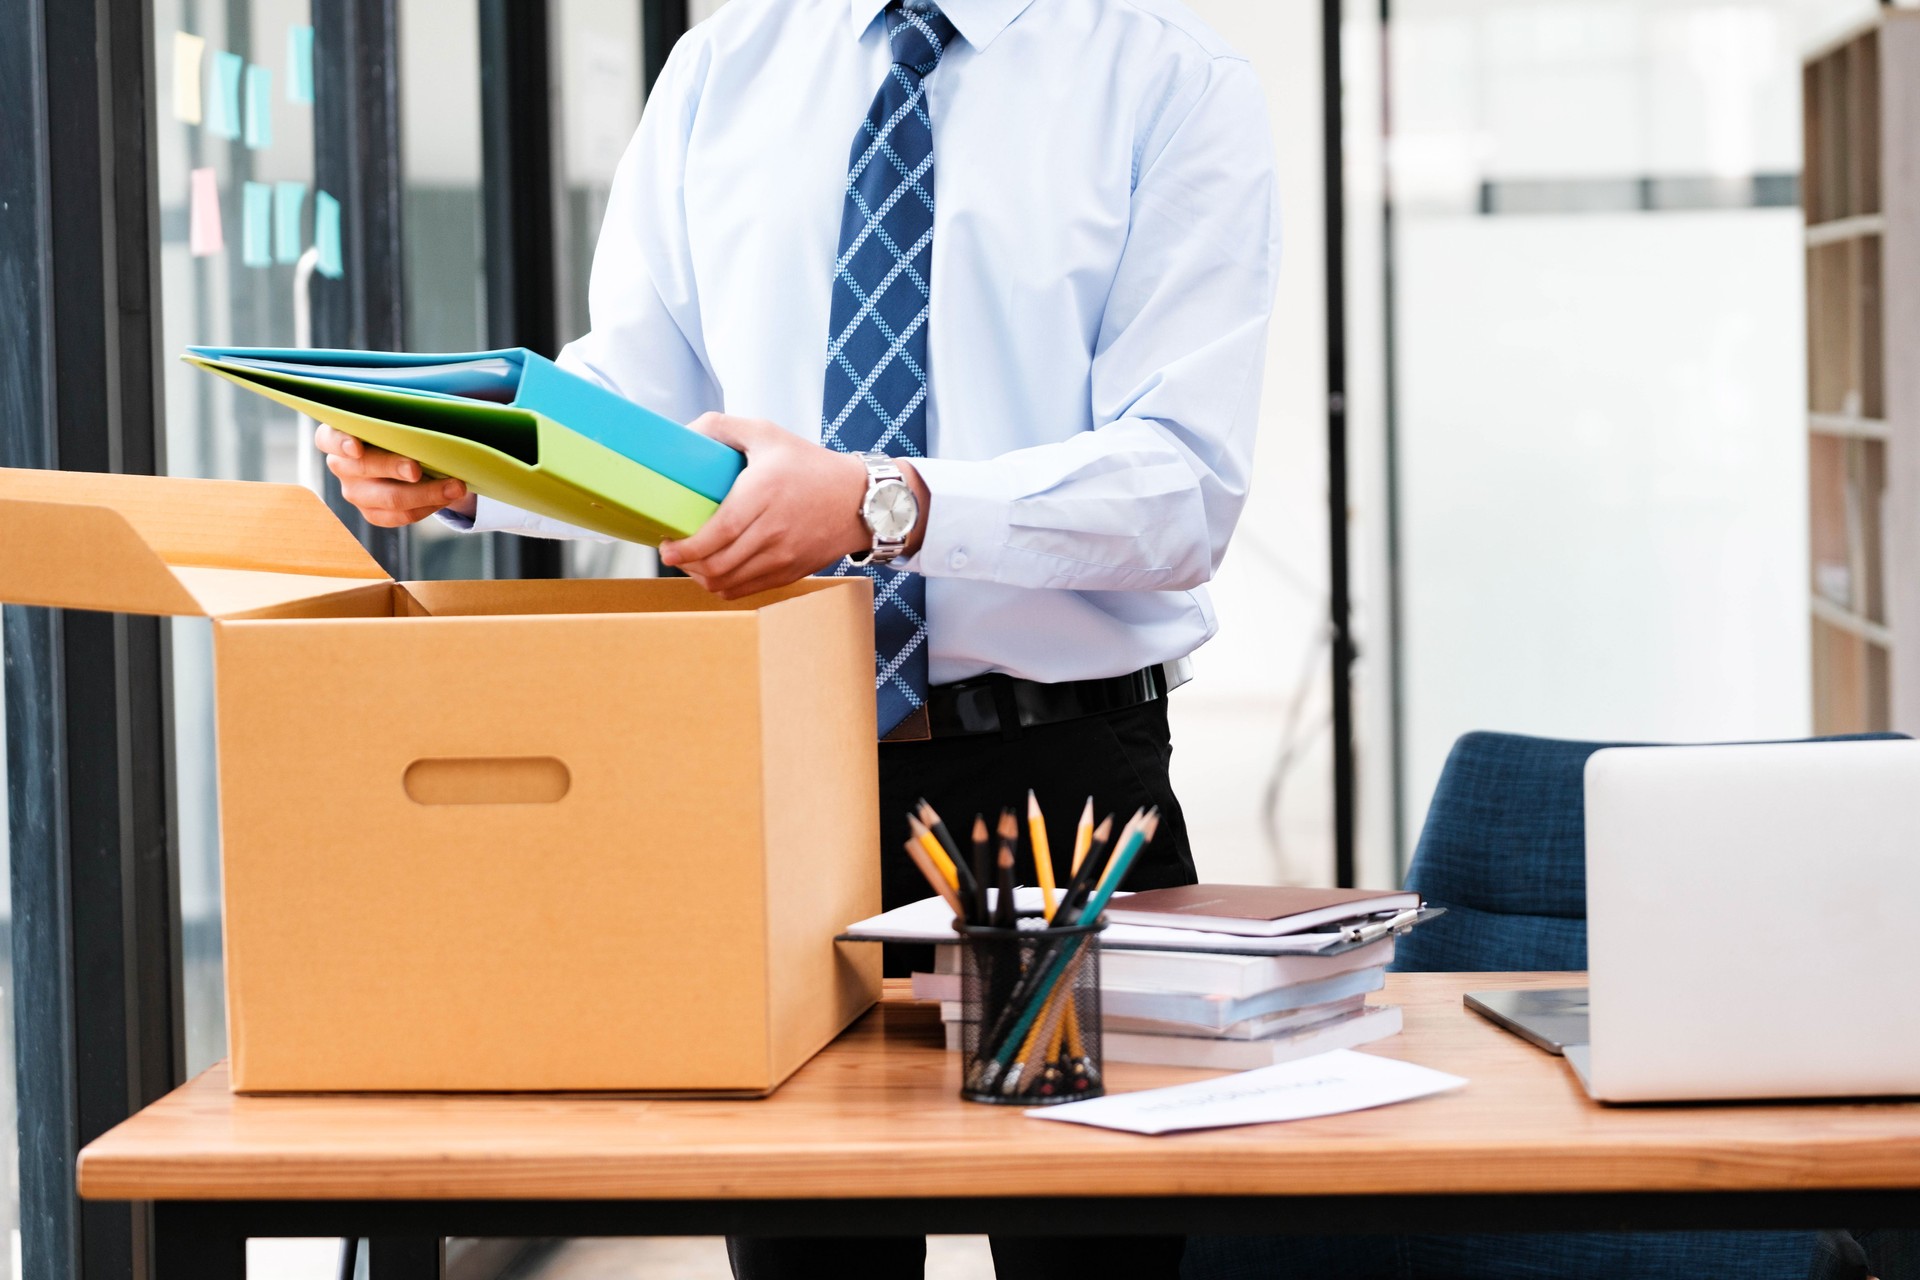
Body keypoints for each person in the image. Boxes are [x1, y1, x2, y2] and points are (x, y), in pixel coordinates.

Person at [315, 0, 1277, 1274]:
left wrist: (882, 502)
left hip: (1049, 797)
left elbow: (1180, 488)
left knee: (1085, 1239)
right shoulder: (724, 65)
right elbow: (641, 405)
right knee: (804, 1247)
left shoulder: (1167, 80)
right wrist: (465, 459)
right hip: (776, 772)